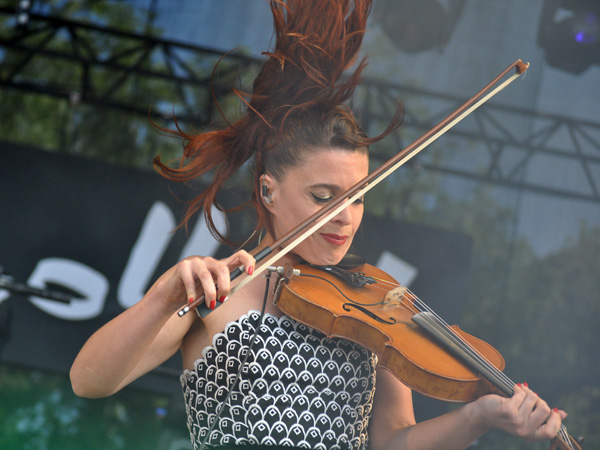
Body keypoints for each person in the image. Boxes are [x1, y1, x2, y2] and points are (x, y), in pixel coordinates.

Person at [70, 1, 567, 449]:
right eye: (323, 197)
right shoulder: (217, 294)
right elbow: (88, 381)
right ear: (268, 191)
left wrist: (478, 416)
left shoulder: (372, 306)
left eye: (358, 197)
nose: (345, 217)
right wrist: (163, 297)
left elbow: (393, 444)